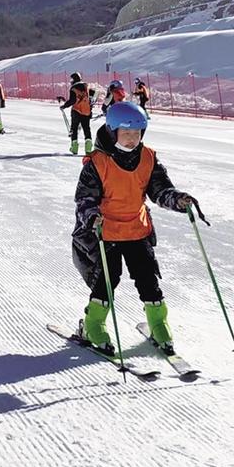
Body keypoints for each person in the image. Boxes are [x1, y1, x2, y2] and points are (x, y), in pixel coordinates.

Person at [71, 101, 199, 356]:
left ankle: (158, 324)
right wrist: (92, 215)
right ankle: (93, 324)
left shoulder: (148, 157)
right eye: (126, 134)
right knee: (109, 277)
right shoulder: (97, 163)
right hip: (105, 230)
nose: (132, 139)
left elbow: (160, 190)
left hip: (136, 228)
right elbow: (84, 199)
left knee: (147, 277)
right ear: (111, 131)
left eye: (137, 134)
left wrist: (177, 199)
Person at [58, 72, 95, 155]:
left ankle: (74, 148)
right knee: (86, 128)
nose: (71, 81)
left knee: (74, 128)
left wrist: (64, 106)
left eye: (72, 79)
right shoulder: (86, 86)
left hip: (77, 111)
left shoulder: (73, 88)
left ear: (74, 79)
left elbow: (72, 101)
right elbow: (92, 94)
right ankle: (88, 149)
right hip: (86, 111)